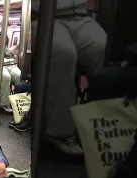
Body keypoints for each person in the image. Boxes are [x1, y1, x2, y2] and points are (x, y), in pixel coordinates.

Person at [31, 0, 107, 156]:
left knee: (104, 47)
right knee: (63, 53)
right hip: (45, 15)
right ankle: (60, 131)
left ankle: (99, 123)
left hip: (81, 16)